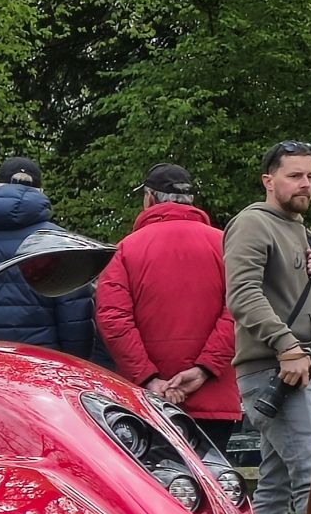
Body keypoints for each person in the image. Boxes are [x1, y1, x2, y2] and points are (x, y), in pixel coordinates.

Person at [228, 140, 311, 514]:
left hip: (298, 371)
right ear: (268, 180)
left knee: (274, 490)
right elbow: (241, 295)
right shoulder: (253, 224)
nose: (305, 184)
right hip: (277, 371)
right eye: (294, 175)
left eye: (310, 176)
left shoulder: (303, 231)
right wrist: (287, 346)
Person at [96, 163, 239, 449]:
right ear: (192, 201)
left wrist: (150, 380)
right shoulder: (226, 244)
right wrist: (204, 370)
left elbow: (113, 319)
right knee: (214, 485)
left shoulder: (126, 249)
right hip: (215, 396)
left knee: (154, 488)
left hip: (148, 402)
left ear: (149, 198)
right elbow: (241, 310)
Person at [0, 156, 105, 364]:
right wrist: (75, 362)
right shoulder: (60, 243)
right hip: (43, 366)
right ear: (40, 192)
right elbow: (75, 318)